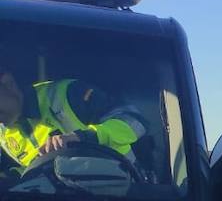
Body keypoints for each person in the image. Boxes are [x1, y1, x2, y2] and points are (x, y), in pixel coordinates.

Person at [0, 67, 147, 174]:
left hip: (127, 195)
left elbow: (135, 122)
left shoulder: (69, 94)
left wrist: (82, 137)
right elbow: (29, 171)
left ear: (7, 83)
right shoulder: (2, 132)